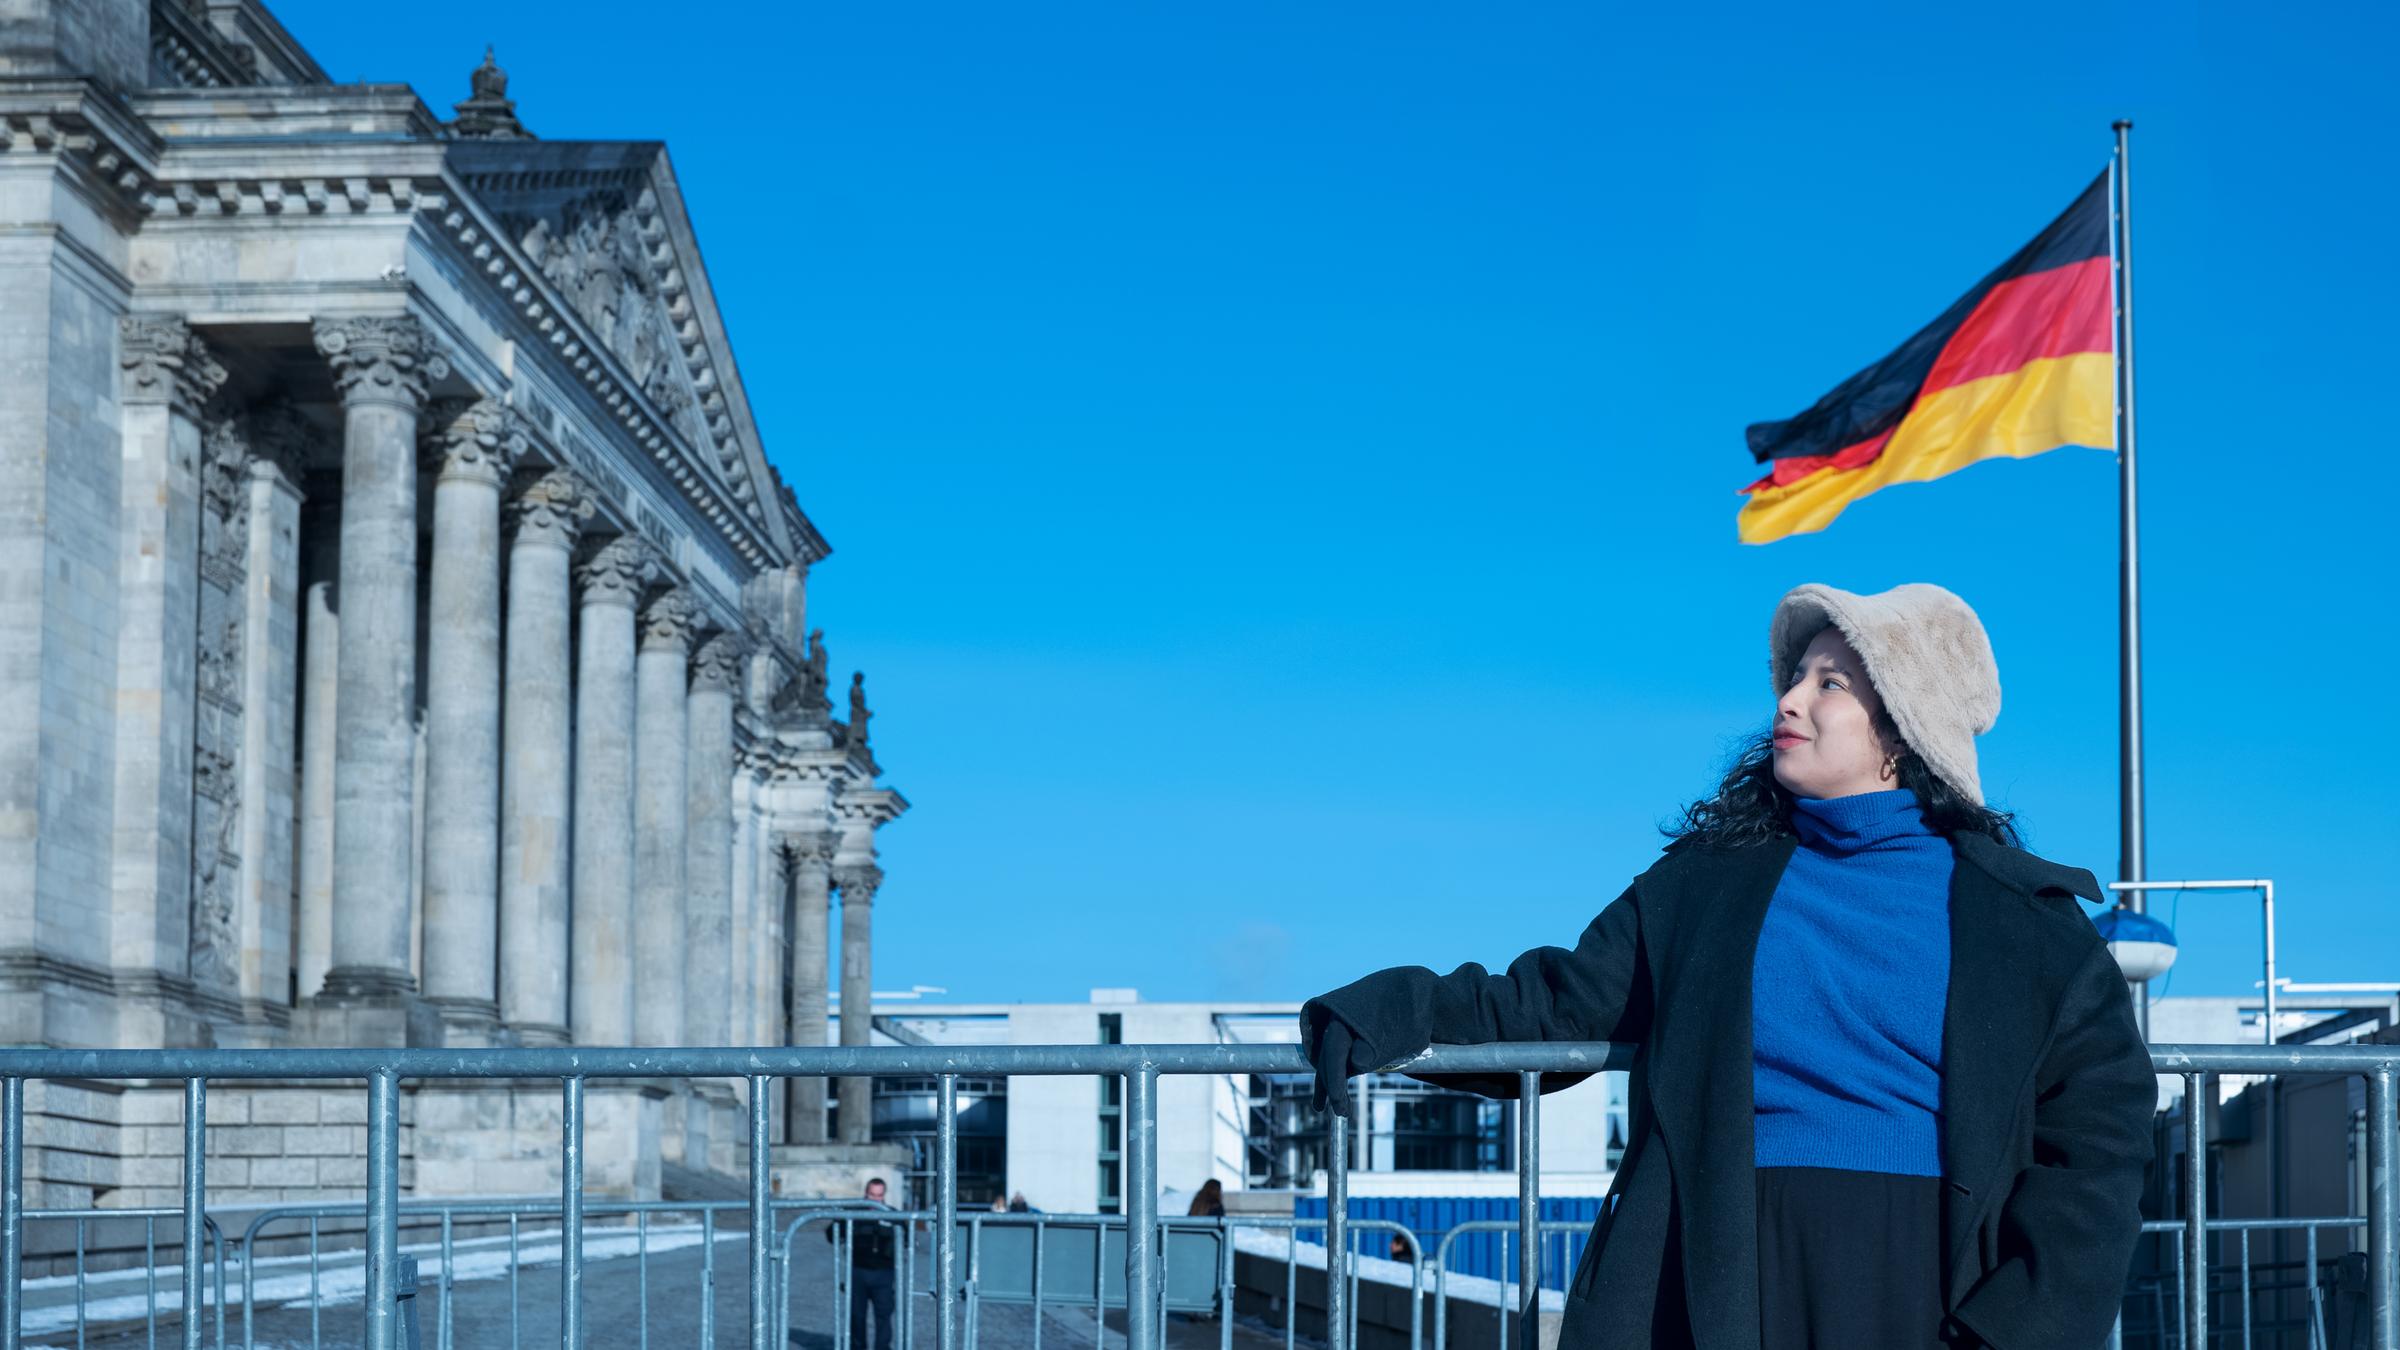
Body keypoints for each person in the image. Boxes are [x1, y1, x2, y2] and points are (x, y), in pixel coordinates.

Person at [1299, 583, 2155, 1350]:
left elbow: (2100, 1138)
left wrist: (2015, 1328)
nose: (1790, 699)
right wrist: (1391, 1008)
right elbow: (1554, 1003)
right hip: (1723, 1264)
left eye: (1830, 683)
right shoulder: (1704, 886)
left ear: (1902, 728)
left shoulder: (2028, 924)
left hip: (1933, 1278)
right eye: (1795, 677)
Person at [824, 1177, 900, 1350]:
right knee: (857, 1316)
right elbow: (831, 1234)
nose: (875, 1199)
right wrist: (838, 1222)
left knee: (884, 1315)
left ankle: (882, 1348)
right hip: (858, 1271)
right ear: (866, 1193)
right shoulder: (853, 1214)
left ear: (884, 1195)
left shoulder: (893, 1214)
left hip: (884, 1273)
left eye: (879, 1195)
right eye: (872, 1195)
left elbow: (907, 1238)